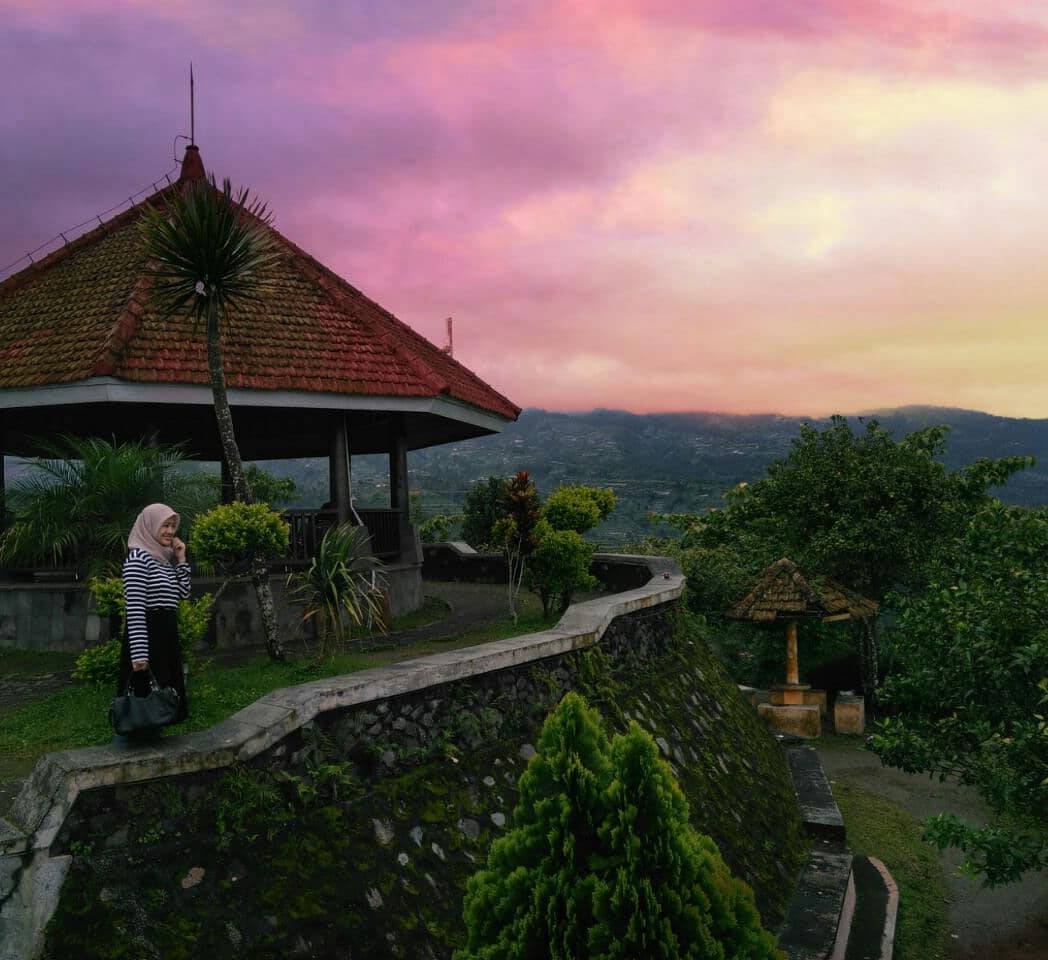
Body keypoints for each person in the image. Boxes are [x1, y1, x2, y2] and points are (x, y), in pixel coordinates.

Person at [116, 503, 192, 738]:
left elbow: (183, 593)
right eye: (164, 525)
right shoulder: (138, 559)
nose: (170, 531)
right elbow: (136, 610)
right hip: (147, 638)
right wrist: (139, 656)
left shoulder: (163, 559)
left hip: (165, 638)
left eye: (172, 526)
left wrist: (181, 560)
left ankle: (153, 745)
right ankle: (131, 751)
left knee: (160, 700)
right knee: (142, 700)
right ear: (149, 526)